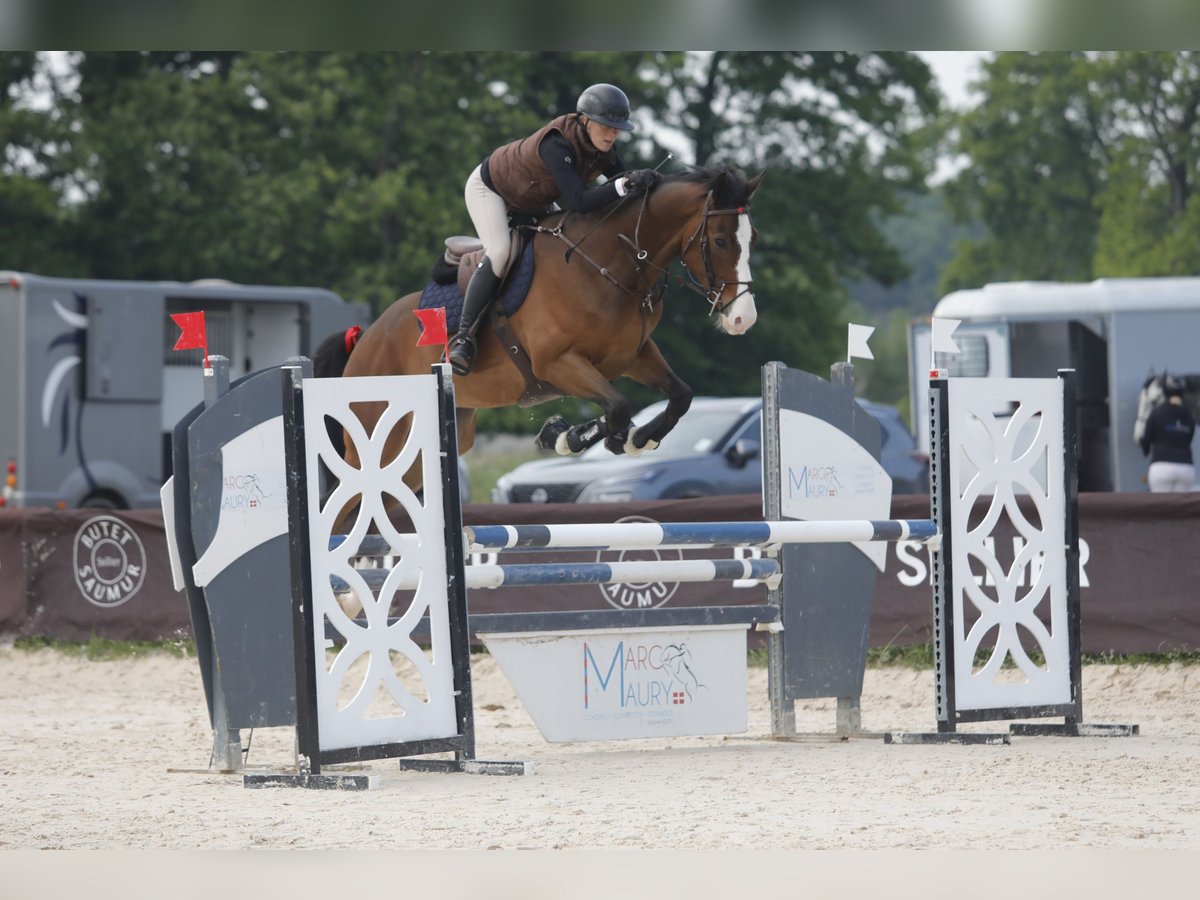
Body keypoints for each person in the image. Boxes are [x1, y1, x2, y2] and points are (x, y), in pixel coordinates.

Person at [447, 83, 663, 376]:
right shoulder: (556, 144)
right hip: (492, 189)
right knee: (500, 251)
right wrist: (625, 184)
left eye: (618, 128)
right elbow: (580, 202)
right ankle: (464, 338)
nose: (613, 134)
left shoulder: (603, 147)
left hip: (532, 199)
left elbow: (622, 181)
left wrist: (647, 183)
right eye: (607, 127)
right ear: (585, 121)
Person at [1139, 374, 1196, 492]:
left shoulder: (1156, 412)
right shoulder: (1189, 414)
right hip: (1186, 467)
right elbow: (1189, 438)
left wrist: (1145, 449)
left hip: (1161, 466)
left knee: (1162, 508)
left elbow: (1146, 438)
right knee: (1182, 509)